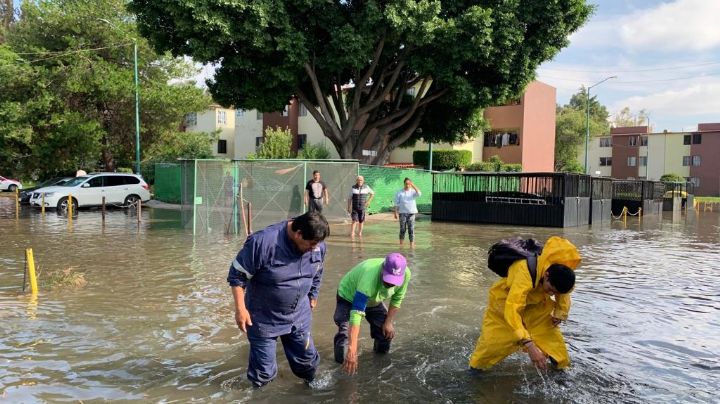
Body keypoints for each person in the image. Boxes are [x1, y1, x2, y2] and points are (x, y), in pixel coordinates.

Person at [227, 211, 330, 387]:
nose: (315, 248)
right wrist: (240, 309)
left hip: (299, 315)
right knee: (263, 373)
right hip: (264, 317)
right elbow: (237, 276)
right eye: (311, 244)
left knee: (308, 364)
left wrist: (313, 294)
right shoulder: (262, 242)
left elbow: (318, 270)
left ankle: (311, 388)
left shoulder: (317, 245)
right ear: (298, 234)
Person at [469, 236, 581, 371]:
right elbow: (512, 309)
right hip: (504, 308)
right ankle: (475, 376)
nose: (551, 294)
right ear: (546, 275)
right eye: (550, 290)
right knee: (485, 356)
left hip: (537, 310)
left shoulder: (562, 271)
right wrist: (529, 344)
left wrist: (560, 312)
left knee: (560, 356)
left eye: (554, 293)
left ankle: (560, 376)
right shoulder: (524, 272)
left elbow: (563, 293)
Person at [333, 253, 411, 375]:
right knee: (345, 338)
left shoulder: (406, 274)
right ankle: (340, 370)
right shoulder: (369, 277)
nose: (390, 285)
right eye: (388, 280)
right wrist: (352, 349)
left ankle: (379, 368)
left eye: (394, 282)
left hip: (374, 300)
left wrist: (388, 322)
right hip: (349, 297)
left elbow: (397, 298)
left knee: (386, 333)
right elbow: (357, 313)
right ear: (382, 270)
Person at [393, 178, 421, 247]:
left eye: (409, 184)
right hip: (402, 213)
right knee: (402, 229)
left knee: (411, 229)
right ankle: (401, 244)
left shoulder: (413, 192)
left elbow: (419, 193)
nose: (407, 185)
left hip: (411, 213)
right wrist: (395, 212)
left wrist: (413, 185)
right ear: (404, 184)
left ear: (411, 184)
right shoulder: (399, 192)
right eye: (406, 184)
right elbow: (396, 203)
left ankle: (412, 245)